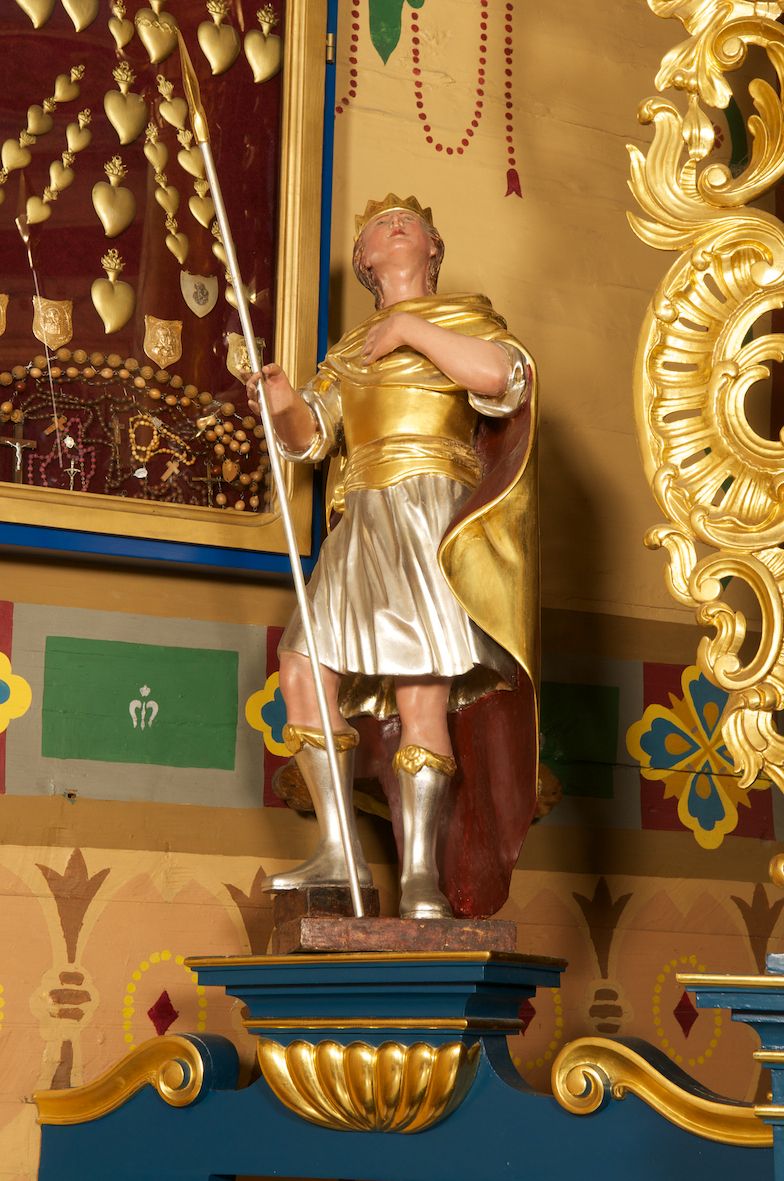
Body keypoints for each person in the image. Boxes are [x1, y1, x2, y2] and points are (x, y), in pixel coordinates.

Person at [248, 194, 538, 920]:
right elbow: (311, 437)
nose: (397, 223)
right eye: (381, 225)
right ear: (367, 261)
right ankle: (338, 848)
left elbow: (500, 378)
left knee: (420, 690)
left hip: (430, 508)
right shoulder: (348, 352)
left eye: (412, 221)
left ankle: (419, 878)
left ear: (433, 249)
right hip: (362, 514)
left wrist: (410, 326)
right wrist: (280, 399)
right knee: (301, 664)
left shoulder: (468, 316)